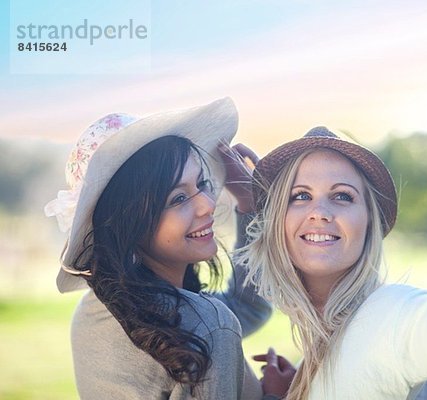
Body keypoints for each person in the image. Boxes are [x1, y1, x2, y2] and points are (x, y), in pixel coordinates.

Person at [241, 60, 427, 399]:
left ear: (369, 222)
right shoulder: (323, 341)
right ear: (278, 219)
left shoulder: (386, 316)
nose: (319, 212)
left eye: (342, 196)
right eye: (300, 196)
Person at [44, 98, 289, 399]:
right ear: (129, 224)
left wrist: (250, 206)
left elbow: (246, 308)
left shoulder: (94, 311)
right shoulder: (209, 325)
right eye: (178, 199)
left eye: (201, 183)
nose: (208, 204)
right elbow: (216, 324)